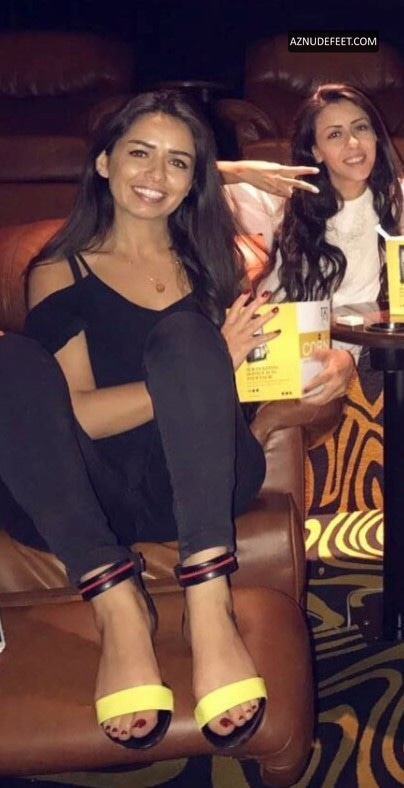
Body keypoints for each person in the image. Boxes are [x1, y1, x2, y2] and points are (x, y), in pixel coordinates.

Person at [0, 90, 294, 751]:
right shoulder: (59, 270)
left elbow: (245, 388)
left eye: (178, 162)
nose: (157, 175)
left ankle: (209, 602)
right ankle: (117, 603)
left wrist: (309, 371)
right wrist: (209, 367)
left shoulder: (216, 264)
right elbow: (77, 416)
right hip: (88, 499)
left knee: (186, 340)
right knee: (7, 360)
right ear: (104, 163)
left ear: (194, 181)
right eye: (140, 153)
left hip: (198, 491)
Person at [225, 82, 404, 403]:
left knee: (280, 419)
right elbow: (181, 185)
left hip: (349, 358)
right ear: (317, 151)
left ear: (376, 135)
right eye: (335, 134)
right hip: (273, 353)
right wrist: (239, 171)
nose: (353, 143)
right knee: (274, 417)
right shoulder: (286, 196)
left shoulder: (397, 201)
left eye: (361, 128)